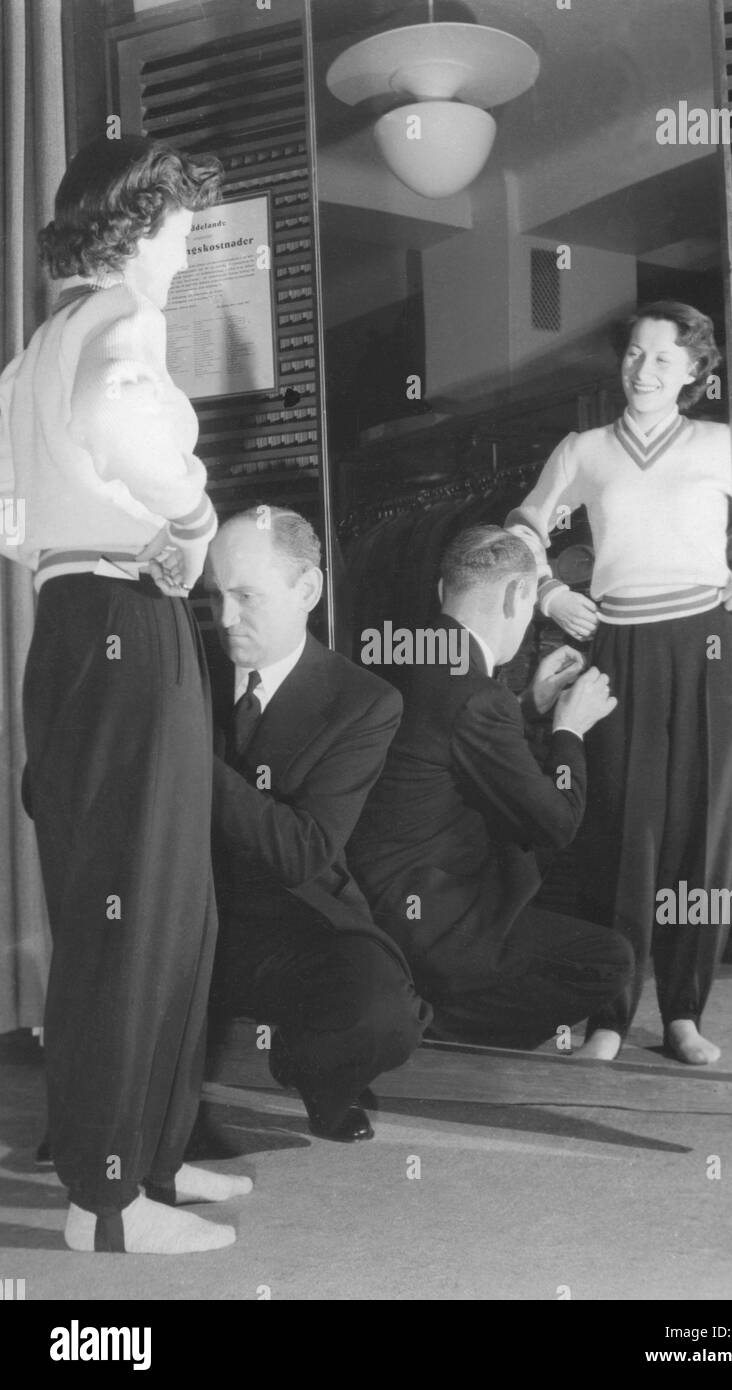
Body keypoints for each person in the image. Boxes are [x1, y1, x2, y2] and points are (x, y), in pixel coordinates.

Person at [0, 135, 252, 1254]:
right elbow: (120, 421)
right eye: (182, 227)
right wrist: (184, 522)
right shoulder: (121, 323)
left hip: (73, 621)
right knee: (134, 909)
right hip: (122, 624)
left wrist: (69, 548)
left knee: (165, 903)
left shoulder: (38, 344)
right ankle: (107, 1207)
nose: (188, 246)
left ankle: (147, 1151)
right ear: (138, 228)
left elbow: (10, 502)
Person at [506, 301, 732, 1065]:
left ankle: (684, 1013)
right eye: (635, 356)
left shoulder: (722, 444)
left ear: (696, 372)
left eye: (663, 359)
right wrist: (547, 593)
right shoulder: (585, 450)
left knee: (705, 829)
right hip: (621, 643)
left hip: (706, 642)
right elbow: (522, 528)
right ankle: (611, 1012)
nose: (643, 371)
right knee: (622, 829)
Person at [348, 526, 634, 1047]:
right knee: (606, 960)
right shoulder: (477, 694)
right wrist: (570, 729)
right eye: (530, 606)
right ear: (517, 594)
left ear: (442, 592)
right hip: (428, 920)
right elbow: (557, 823)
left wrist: (530, 705)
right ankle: (425, 1024)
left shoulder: (409, 653)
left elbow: (453, 743)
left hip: (380, 897)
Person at [205, 508, 431, 1141]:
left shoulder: (364, 700)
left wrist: (188, 755)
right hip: (184, 912)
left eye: (246, 596)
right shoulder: (181, 665)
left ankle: (315, 1072)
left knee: (384, 1016)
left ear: (307, 590)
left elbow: (303, 852)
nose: (224, 618)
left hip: (295, 916)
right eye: (215, 595)